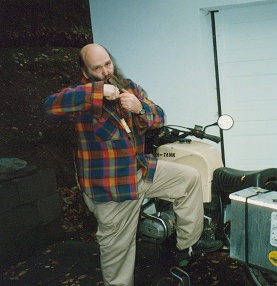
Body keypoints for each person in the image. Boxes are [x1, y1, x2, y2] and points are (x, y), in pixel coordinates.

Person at [44, 43, 222, 286]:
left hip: (142, 171)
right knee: (118, 257)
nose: (106, 71)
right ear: (86, 72)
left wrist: (140, 109)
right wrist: (97, 91)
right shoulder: (81, 97)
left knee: (189, 178)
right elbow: (51, 105)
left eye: (108, 63)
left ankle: (186, 245)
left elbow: (158, 116)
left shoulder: (129, 86)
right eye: (97, 68)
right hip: (111, 189)